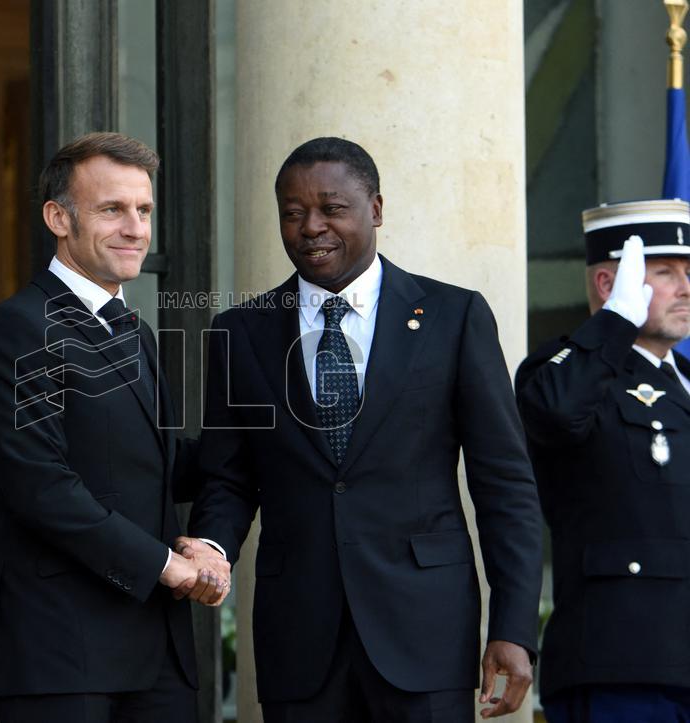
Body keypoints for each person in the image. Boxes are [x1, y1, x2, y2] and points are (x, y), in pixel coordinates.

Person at [183, 136, 544, 722]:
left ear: (375, 209)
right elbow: (229, 477)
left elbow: (505, 485)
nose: (311, 227)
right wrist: (214, 547)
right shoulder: (241, 332)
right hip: (299, 636)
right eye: (293, 213)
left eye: (332, 208)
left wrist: (514, 627)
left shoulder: (454, 318)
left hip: (424, 633)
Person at [0, 131, 229, 723]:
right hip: (62, 657)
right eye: (113, 209)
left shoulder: (135, 333)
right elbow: (41, 488)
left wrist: (268, 452)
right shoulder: (14, 330)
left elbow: (151, 466)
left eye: (144, 211)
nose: (135, 228)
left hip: (156, 659)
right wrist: (169, 566)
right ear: (58, 217)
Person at [516, 199, 690, 722]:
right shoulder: (561, 371)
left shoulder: (683, 383)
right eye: (664, 272)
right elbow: (557, 413)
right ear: (608, 284)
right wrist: (614, 325)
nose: (685, 286)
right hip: (623, 663)